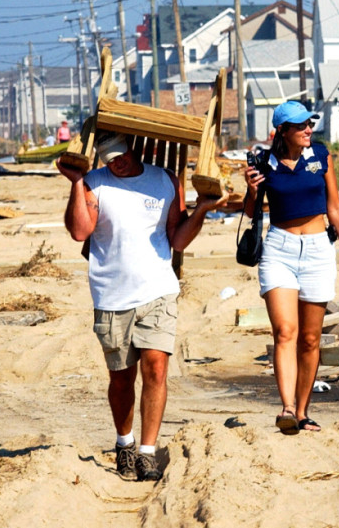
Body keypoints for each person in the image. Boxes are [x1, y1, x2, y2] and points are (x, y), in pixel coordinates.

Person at [58, 131, 227, 481]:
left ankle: (147, 453)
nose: (115, 162)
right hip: (111, 296)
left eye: (120, 154)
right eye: (108, 158)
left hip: (158, 291)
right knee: (121, 380)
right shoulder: (94, 183)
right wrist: (76, 183)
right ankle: (125, 443)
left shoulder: (165, 180)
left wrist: (202, 211)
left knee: (156, 369)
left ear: (137, 150)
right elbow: (79, 232)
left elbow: (177, 237)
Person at [243, 100, 339, 435]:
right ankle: (285, 409)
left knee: (310, 339)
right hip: (279, 250)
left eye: (310, 124)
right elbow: (251, 210)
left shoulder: (321, 156)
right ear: (283, 131)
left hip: (317, 250)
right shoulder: (263, 162)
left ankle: (303, 411)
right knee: (286, 332)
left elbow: (335, 207)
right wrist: (252, 191)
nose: (309, 130)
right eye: (301, 126)